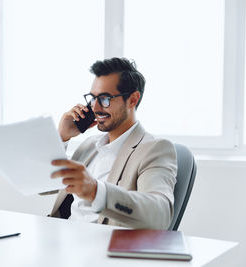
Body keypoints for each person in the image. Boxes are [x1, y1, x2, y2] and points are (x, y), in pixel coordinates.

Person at [49, 57, 177, 229]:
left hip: (103, 247)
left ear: (132, 100)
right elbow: (43, 187)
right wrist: (62, 137)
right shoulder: (89, 145)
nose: (95, 108)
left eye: (105, 98)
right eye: (93, 98)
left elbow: (160, 214)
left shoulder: (154, 149)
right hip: (62, 238)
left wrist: (96, 191)